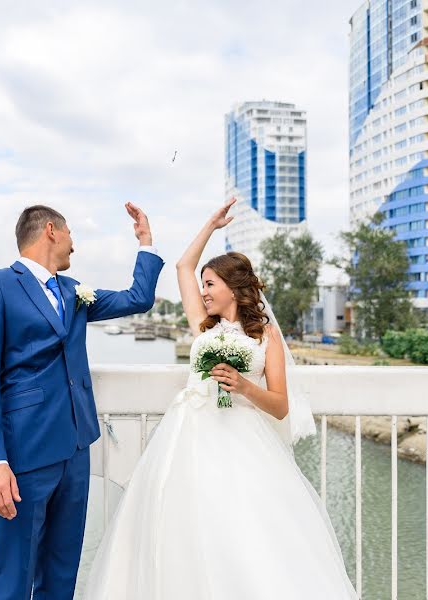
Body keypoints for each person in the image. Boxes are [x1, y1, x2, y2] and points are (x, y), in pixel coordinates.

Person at [84, 198, 356, 599]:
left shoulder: (265, 336)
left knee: (242, 533)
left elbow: (281, 404)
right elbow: (182, 267)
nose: (204, 292)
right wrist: (209, 226)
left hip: (241, 439)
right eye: (205, 284)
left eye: (211, 285)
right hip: (187, 436)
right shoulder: (203, 325)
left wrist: (244, 387)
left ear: (234, 287)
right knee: (178, 527)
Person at [0, 203, 164, 600]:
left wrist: (145, 242)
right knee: (13, 575)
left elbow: (139, 299)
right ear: (51, 230)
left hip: (76, 449)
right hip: (23, 454)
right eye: (71, 233)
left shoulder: (75, 293)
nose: (75, 244)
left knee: (61, 571)